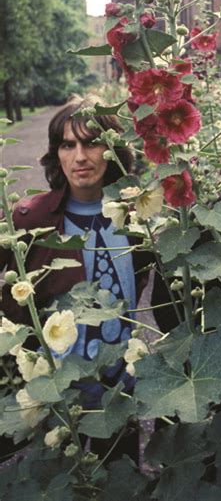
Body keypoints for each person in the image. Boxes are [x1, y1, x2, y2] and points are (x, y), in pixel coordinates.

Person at [0, 94, 151, 459]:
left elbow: (144, 279)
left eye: (92, 142)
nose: (80, 157)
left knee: (121, 473)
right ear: (56, 154)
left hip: (121, 383)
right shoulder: (30, 218)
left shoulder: (136, 214)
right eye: (68, 145)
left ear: (111, 148)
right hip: (59, 386)